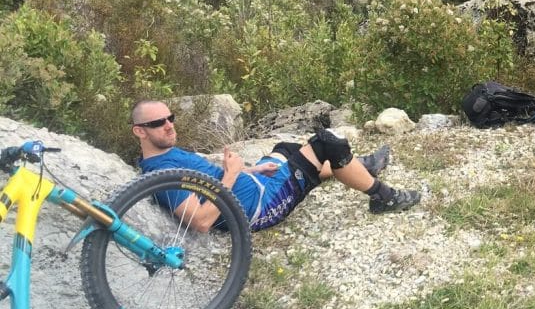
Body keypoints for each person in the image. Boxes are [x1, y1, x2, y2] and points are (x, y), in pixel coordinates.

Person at [131, 100, 421, 232]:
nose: (168, 126)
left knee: (286, 149)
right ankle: (384, 197)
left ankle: (358, 168)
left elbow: (210, 179)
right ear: (139, 131)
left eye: (170, 118)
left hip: (258, 183)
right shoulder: (160, 175)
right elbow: (200, 222)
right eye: (158, 123)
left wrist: (251, 170)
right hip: (263, 205)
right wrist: (232, 175)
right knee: (327, 144)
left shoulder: (168, 153)